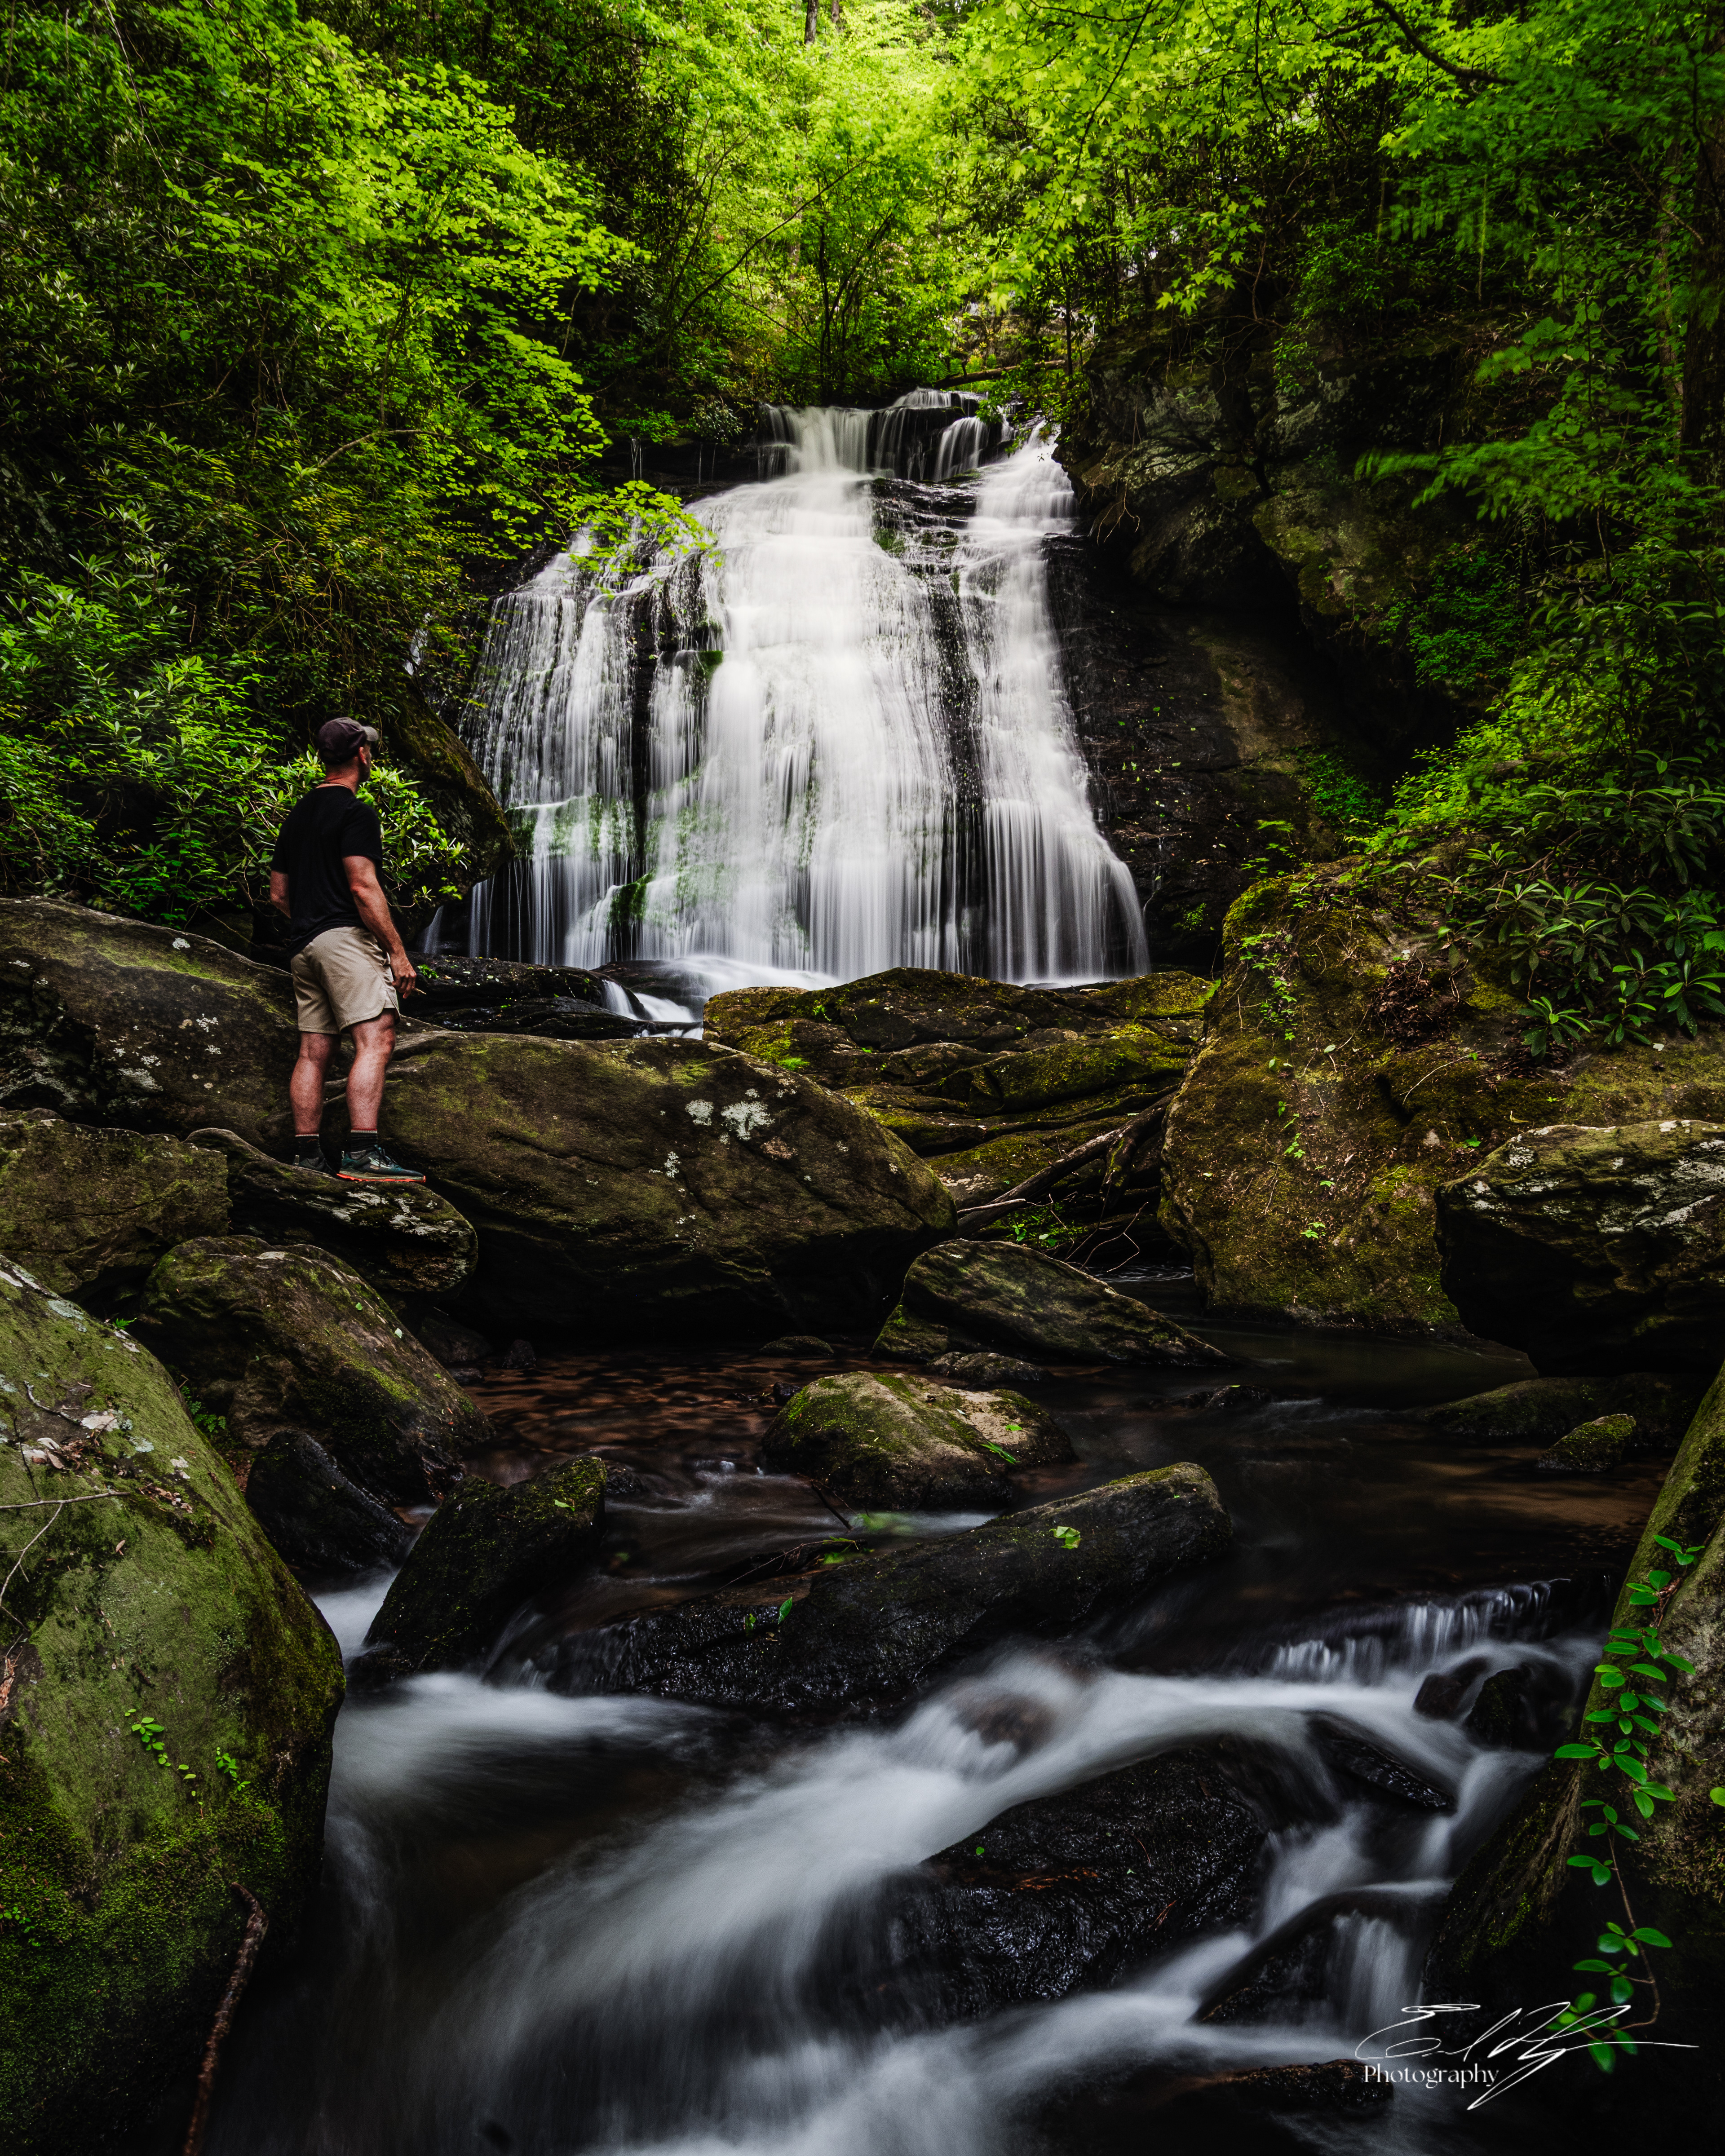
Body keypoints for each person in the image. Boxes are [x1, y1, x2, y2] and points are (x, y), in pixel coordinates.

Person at [269, 716, 426, 1183]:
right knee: (376, 1038)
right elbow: (363, 886)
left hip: (303, 945)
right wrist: (397, 951)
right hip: (343, 941)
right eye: (370, 751)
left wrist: (310, 923)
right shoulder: (356, 812)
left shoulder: (297, 814)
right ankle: (362, 1153)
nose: (372, 757)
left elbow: (278, 894)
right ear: (361, 755)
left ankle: (307, 1156)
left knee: (314, 1051)